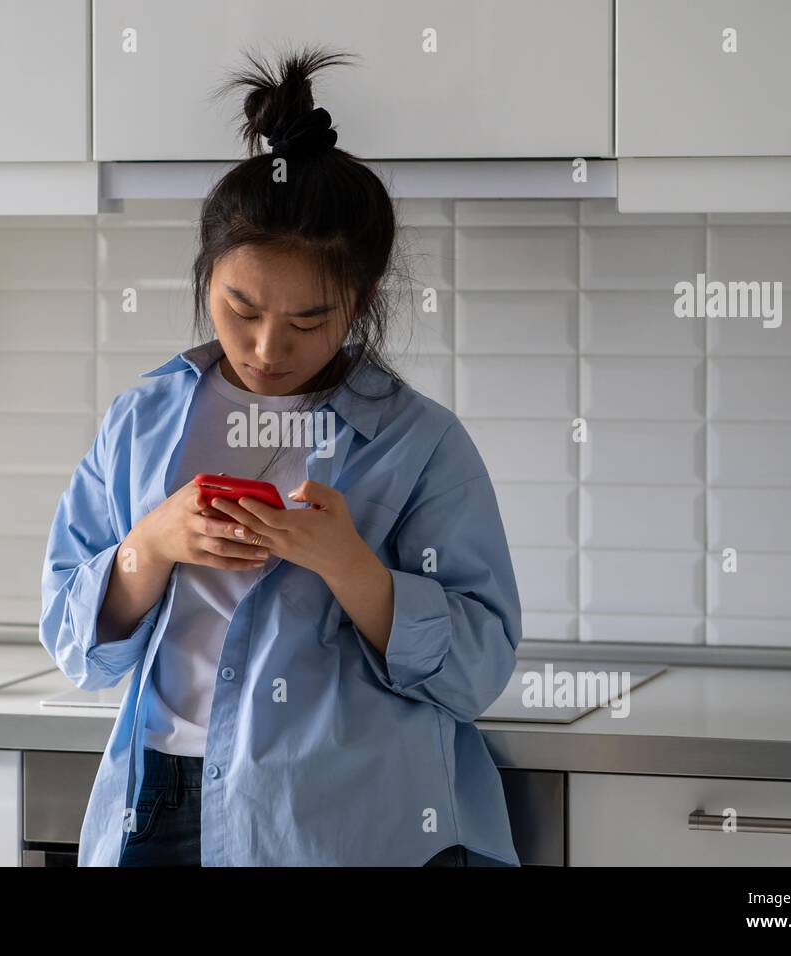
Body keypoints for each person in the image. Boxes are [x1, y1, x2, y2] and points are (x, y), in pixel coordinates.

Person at [40, 45, 522, 867]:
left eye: (309, 321)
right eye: (241, 308)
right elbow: (74, 642)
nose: (268, 348)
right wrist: (152, 543)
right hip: (155, 803)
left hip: (343, 821)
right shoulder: (141, 421)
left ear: (362, 300)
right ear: (207, 277)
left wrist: (353, 569)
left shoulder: (421, 444)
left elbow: (477, 670)